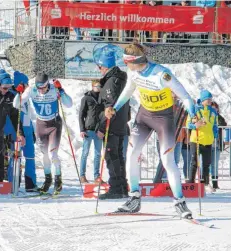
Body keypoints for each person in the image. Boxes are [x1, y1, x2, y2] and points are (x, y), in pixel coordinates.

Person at [111, 43, 197, 218]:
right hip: (143, 117)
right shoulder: (132, 72)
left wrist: (193, 114)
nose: (125, 65)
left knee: (168, 161)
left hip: (163, 119)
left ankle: (179, 202)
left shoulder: (161, 74)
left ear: (134, 61)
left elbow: (186, 97)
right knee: (132, 154)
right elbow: (128, 91)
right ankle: (134, 198)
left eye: (126, 62)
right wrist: (115, 107)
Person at [13, 72, 73, 195]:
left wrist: (61, 90)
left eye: (43, 88)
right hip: (41, 124)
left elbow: (69, 104)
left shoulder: (53, 89)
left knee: (52, 154)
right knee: (44, 155)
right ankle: (47, 180)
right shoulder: (31, 90)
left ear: (47, 84)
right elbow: (16, 104)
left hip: (54, 124)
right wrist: (18, 93)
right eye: (38, 88)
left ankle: (58, 181)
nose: (40, 90)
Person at [94, 45, 130, 200]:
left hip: (112, 125)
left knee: (111, 156)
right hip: (121, 123)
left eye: (100, 66)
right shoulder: (121, 79)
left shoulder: (110, 83)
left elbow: (110, 107)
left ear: (104, 66)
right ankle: (122, 186)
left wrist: (102, 126)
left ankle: (116, 187)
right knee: (118, 157)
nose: (99, 69)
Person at [6, 70, 38, 192]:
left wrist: (33, 132)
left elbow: (28, 116)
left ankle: (30, 184)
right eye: (26, 84)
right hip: (17, 133)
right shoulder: (12, 97)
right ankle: (13, 184)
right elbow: (12, 119)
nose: (28, 87)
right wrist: (15, 133)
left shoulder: (26, 97)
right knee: (15, 158)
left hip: (28, 132)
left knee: (30, 158)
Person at [186, 90, 218, 193]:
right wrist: (195, 125)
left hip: (208, 140)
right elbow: (188, 124)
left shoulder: (213, 111)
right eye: (207, 99)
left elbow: (215, 126)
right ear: (203, 100)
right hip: (196, 140)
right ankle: (190, 184)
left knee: (206, 164)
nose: (209, 101)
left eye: (210, 99)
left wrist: (215, 135)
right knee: (194, 162)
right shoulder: (195, 110)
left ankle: (205, 183)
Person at [78, 80, 103, 184]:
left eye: (100, 86)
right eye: (97, 86)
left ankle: (97, 176)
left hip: (99, 131)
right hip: (88, 130)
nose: (98, 88)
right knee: (85, 153)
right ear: (93, 86)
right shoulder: (86, 98)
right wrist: (82, 129)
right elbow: (81, 114)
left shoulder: (102, 98)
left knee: (98, 154)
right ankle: (82, 175)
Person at [209, 101, 227, 191]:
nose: (214, 109)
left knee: (214, 165)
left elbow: (224, 124)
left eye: (215, 107)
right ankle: (206, 183)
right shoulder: (207, 116)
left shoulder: (219, 118)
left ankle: (215, 183)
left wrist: (216, 115)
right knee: (206, 165)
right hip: (207, 144)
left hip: (217, 144)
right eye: (212, 107)